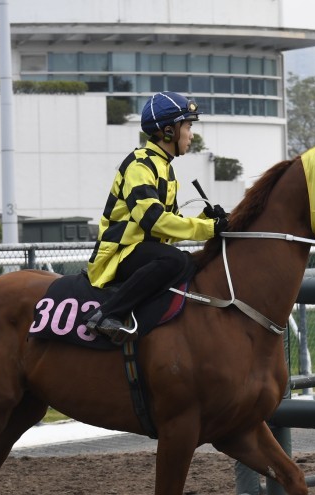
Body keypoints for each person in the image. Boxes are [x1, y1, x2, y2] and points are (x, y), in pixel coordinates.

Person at [83, 91, 229, 343]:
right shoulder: (139, 165)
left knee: (186, 261)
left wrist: (207, 218)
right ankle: (105, 315)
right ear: (169, 131)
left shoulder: (165, 169)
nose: (192, 134)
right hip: (118, 255)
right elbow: (153, 220)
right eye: (188, 125)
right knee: (175, 261)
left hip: (140, 251)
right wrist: (208, 229)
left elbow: (167, 232)